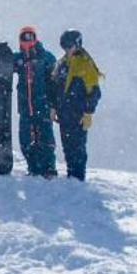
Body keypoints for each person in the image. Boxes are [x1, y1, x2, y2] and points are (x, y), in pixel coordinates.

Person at [50, 29, 104, 181]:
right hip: (64, 113)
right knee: (67, 146)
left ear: (77, 44)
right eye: (64, 46)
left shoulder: (85, 64)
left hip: (78, 114)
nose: (67, 50)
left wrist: (88, 112)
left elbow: (94, 91)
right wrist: (54, 107)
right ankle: (71, 176)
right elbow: (55, 87)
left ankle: (78, 178)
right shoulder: (62, 63)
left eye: (70, 46)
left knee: (77, 147)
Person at [15, 25, 58, 177]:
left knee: (46, 137)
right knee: (26, 139)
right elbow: (6, 64)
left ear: (36, 38)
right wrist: (1, 53)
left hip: (43, 105)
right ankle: (33, 167)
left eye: (30, 36)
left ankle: (49, 167)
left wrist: (53, 106)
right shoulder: (19, 58)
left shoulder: (46, 57)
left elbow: (55, 83)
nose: (27, 40)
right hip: (25, 107)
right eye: (24, 37)